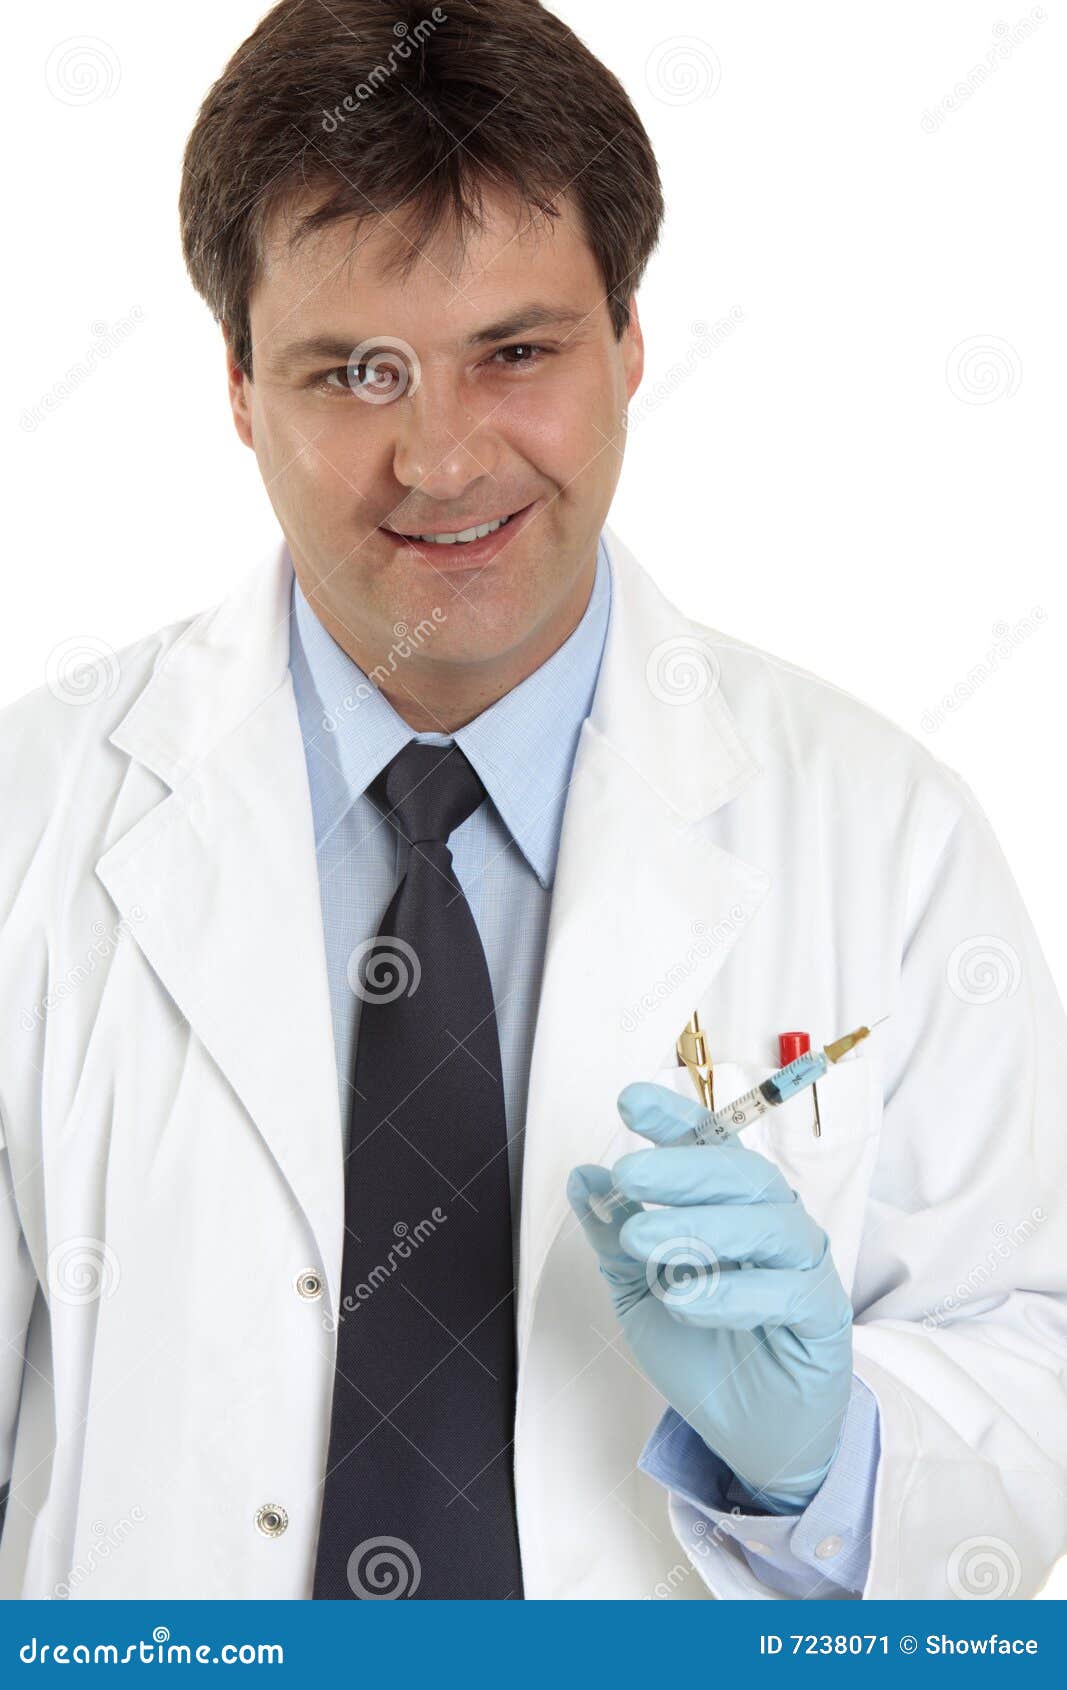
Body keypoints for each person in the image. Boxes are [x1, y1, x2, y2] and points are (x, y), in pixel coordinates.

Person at [1, 0, 1064, 1601]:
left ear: (631, 345)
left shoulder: (883, 834)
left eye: (517, 353)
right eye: (355, 373)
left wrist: (819, 1449)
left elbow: (1033, 1364)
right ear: (235, 387)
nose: (441, 459)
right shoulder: (34, 817)